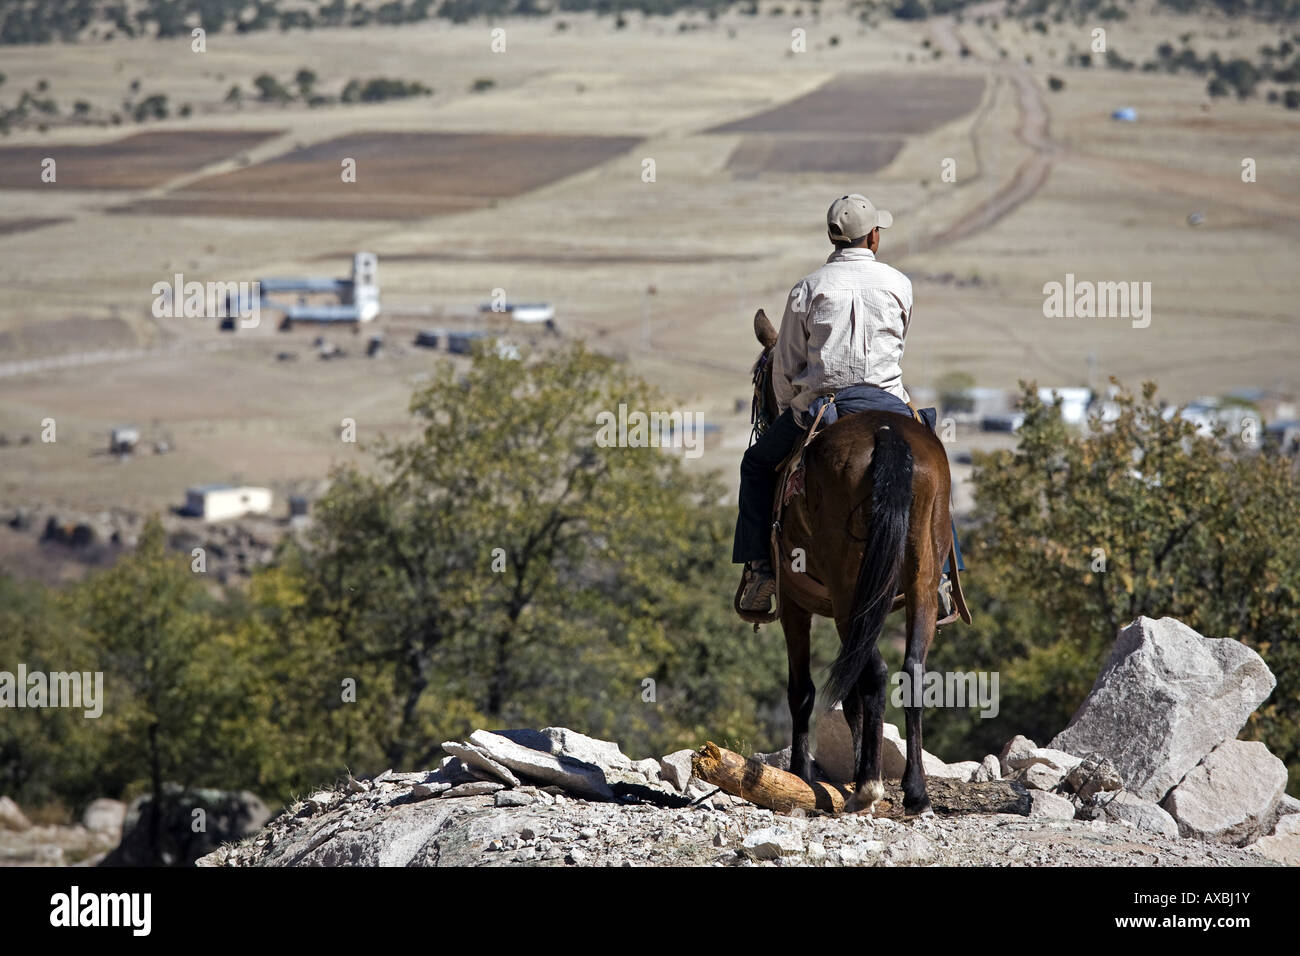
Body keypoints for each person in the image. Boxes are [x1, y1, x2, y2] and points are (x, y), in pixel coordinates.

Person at [735, 193, 924, 614]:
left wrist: (791, 412)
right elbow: (899, 340)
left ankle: (761, 571)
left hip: (824, 408)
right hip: (888, 402)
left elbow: (784, 368)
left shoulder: (808, 288)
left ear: (832, 237)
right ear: (873, 237)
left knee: (755, 464)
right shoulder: (899, 284)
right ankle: (945, 571)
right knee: (935, 462)